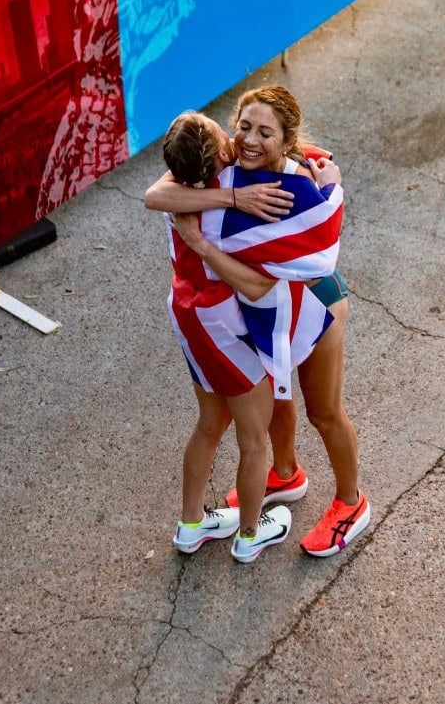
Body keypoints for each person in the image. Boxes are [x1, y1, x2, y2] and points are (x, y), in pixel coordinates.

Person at [145, 86, 370, 558]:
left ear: (287, 141)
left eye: (265, 132)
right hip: (265, 313)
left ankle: (351, 503)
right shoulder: (223, 167)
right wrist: (234, 197)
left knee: (322, 412)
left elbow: (305, 247)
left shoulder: (298, 188)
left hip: (312, 304)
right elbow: (157, 193)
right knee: (275, 399)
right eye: (244, 126)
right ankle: (284, 475)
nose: (249, 140)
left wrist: (205, 246)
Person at [158, 112, 293, 563]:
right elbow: (256, 285)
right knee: (254, 437)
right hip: (219, 324)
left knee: (210, 424)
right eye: (223, 130)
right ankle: (252, 534)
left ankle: (191, 524)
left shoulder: (178, 189)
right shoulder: (230, 209)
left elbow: (154, 193)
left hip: (186, 310)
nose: (233, 133)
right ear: (218, 154)